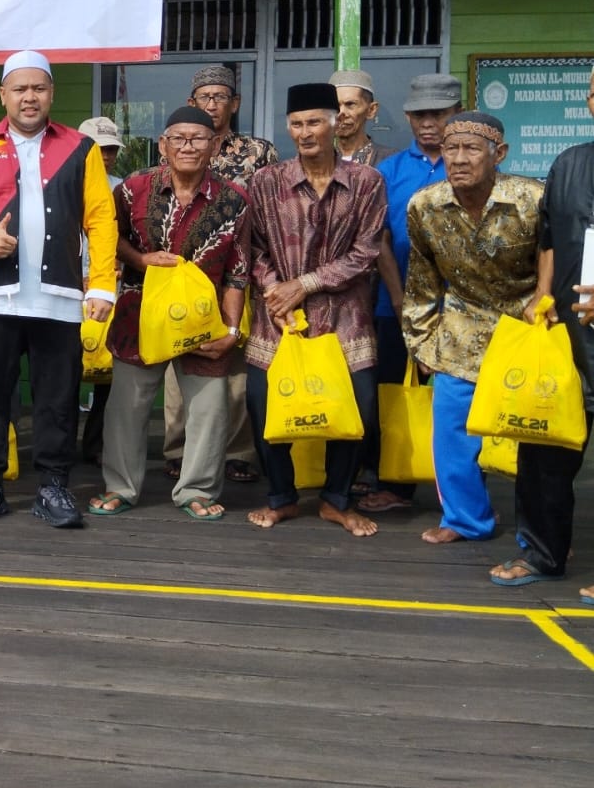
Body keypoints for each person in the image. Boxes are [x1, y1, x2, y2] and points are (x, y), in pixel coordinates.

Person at [0, 50, 117, 527]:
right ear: (3, 95)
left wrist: (102, 285)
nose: (29, 97)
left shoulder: (81, 147)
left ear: (52, 93)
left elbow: (101, 219)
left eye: (38, 87)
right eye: (20, 89)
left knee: (58, 398)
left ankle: (53, 486)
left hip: (59, 298)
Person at [90, 107, 249, 521]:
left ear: (214, 145)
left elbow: (238, 272)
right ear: (163, 144)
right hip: (140, 313)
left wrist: (232, 330)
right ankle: (120, 486)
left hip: (203, 319)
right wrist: (140, 259)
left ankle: (197, 489)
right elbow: (109, 237)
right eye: (178, 138)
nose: (187, 146)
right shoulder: (134, 189)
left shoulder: (234, 199)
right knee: (127, 405)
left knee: (209, 409)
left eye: (198, 139)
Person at [243, 83, 385, 538]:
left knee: (359, 408)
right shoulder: (266, 182)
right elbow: (253, 248)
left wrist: (302, 285)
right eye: (296, 124)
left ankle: (336, 500)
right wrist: (274, 290)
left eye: (314, 122)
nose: (305, 132)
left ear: (335, 123)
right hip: (278, 318)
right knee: (264, 404)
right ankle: (281, 497)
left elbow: (366, 252)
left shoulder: (366, 181)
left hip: (346, 315)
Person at [402, 112, 544, 549]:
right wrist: (421, 341)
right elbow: (422, 280)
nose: (459, 159)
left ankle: (544, 533)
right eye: (451, 148)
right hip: (459, 330)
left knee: (535, 437)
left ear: (499, 154)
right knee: (451, 433)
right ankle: (466, 519)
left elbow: (557, 262)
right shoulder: (424, 206)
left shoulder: (533, 200)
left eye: (471, 149)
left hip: (525, 330)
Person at [496, 89, 594, 595]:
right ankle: (542, 552)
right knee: (543, 449)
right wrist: (541, 293)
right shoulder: (570, 163)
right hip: (569, 337)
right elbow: (550, 238)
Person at [162, 63, 277, 487]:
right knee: (179, 363)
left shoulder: (258, 152)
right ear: (192, 102)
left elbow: (268, 213)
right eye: (204, 97)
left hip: (238, 271)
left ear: (235, 103)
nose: (212, 104)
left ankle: (237, 452)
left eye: (220, 97)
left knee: (234, 366)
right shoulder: (179, 142)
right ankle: (178, 449)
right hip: (184, 274)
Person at [361, 72, 464, 512]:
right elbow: (379, 238)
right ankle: (395, 484)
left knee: (458, 399)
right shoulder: (389, 171)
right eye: (419, 115)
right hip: (396, 306)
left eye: (438, 114)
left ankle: (461, 492)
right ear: (407, 117)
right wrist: (400, 298)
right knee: (394, 393)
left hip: (462, 309)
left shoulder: (471, 165)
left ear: (457, 113)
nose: (428, 123)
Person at [75, 116, 123, 463]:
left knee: (109, 372)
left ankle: (96, 445)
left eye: (110, 150)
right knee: (67, 369)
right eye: (97, 149)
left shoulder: (122, 189)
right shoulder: (61, 182)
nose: (105, 156)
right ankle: (61, 445)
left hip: (109, 290)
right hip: (68, 289)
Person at [331, 69, 396, 167]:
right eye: (335, 105)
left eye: (350, 104)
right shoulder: (316, 161)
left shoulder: (392, 161)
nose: (341, 113)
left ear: (371, 110)